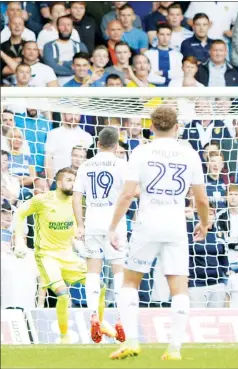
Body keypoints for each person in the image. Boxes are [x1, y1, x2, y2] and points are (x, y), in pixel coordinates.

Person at [108, 107, 209, 360]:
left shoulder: (141, 152)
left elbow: (128, 193)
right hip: (176, 225)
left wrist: (113, 226)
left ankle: (131, 341)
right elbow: (202, 199)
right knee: (179, 288)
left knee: (130, 282)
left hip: (147, 223)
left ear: (151, 127)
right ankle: (174, 348)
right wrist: (204, 224)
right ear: (177, 127)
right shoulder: (190, 154)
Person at [12, 167, 117, 343]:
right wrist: (20, 240)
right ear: (59, 183)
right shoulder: (42, 200)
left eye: (75, 180)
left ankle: (99, 322)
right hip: (47, 255)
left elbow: (74, 228)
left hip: (68, 255)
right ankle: (64, 337)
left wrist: (79, 244)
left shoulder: (76, 202)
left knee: (100, 285)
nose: (74, 183)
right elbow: (20, 213)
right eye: (69, 180)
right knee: (62, 294)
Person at [72, 127, 127, 343]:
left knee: (93, 271)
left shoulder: (86, 165)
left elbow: (77, 198)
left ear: (98, 144)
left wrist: (80, 224)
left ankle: (94, 315)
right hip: (114, 222)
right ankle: (121, 320)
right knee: (119, 272)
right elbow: (131, 192)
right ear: (116, 146)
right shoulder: (122, 164)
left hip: (93, 221)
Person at [41, 15, 88, 85]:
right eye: (62, 25)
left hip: (80, 82)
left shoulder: (80, 46)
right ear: (57, 27)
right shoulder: (48, 46)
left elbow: (85, 65)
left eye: (68, 25)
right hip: (56, 83)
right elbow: (52, 68)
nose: (66, 28)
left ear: (72, 28)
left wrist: (63, 63)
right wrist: (74, 68)